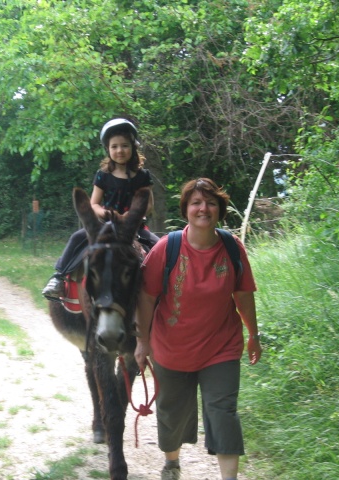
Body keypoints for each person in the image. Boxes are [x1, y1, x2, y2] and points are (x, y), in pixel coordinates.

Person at [134, 178, 262, 480]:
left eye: (210, 203)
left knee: (223, 413)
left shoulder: (232, 248)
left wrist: (253, 335)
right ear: (186, 209)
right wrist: (142, 342)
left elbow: (243, 295)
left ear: (219, 209)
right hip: (172, 348)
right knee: (172, 413)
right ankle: (172, 461)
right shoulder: (168, 248)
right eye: (196, 203)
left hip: (221, 347)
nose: (203, 208)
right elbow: (147, 297)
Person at [42, 118, 159, 300]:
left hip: (133, 226)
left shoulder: (143, 176)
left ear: (133, 147)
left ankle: (164, 286)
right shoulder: (103, 175)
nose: (119, 150)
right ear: (108, 149)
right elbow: (94, 203)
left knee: (158, 246)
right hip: (106, 226)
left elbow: (149, 204)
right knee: (77, 237)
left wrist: (134, 215)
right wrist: (104, 213)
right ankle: (59, 277)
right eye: (114, 146)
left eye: (124, 145)